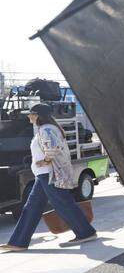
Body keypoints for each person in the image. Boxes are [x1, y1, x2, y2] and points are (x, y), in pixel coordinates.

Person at [1, 104, 97, 252]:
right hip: (43, 174)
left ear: (38, 115)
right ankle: (19, 242)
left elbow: (53, 148)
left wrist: (44, 161)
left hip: (48, 174)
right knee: (31, 208)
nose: (29, 116)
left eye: (31, 114)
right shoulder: (46, 128)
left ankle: (86, 232)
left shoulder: (46, 129)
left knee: (63, 203)